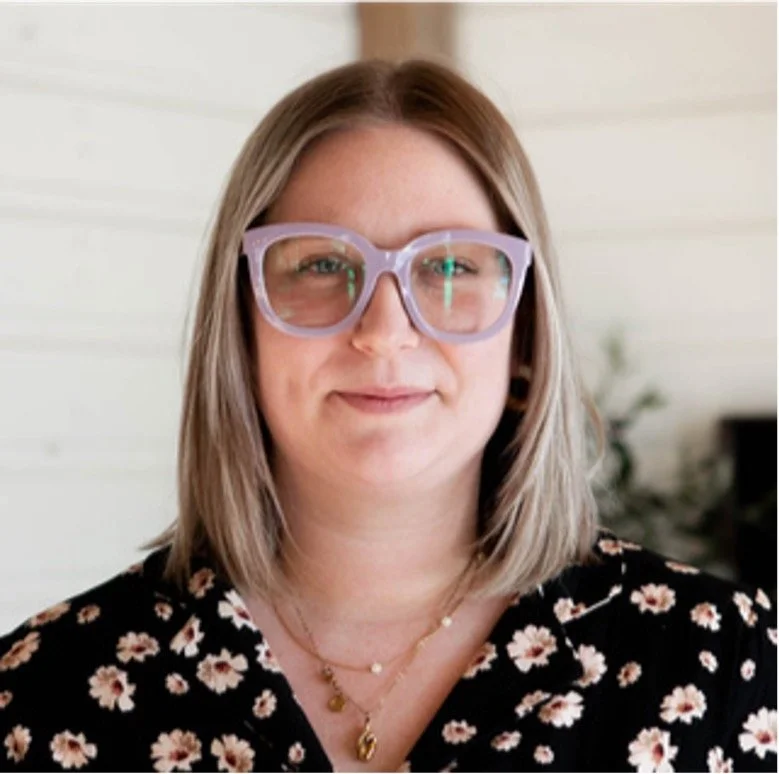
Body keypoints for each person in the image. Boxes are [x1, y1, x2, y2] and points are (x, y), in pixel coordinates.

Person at [0, 58, 775, 774]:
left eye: (449, 266)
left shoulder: (720, 663)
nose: (383, 331)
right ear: (240, 330)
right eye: (320, 265)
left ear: (524, 336)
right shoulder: (39, 696)